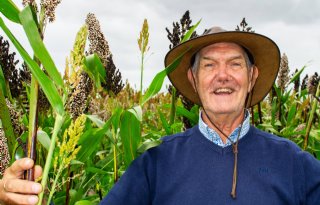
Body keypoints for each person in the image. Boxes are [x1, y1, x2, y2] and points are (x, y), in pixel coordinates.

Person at [1, 26, 320, 205]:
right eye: (209, 65)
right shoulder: (154, 162)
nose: (223, 75)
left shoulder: (295, 164)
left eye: (235, 64)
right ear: (194, 81)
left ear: (252, 77)